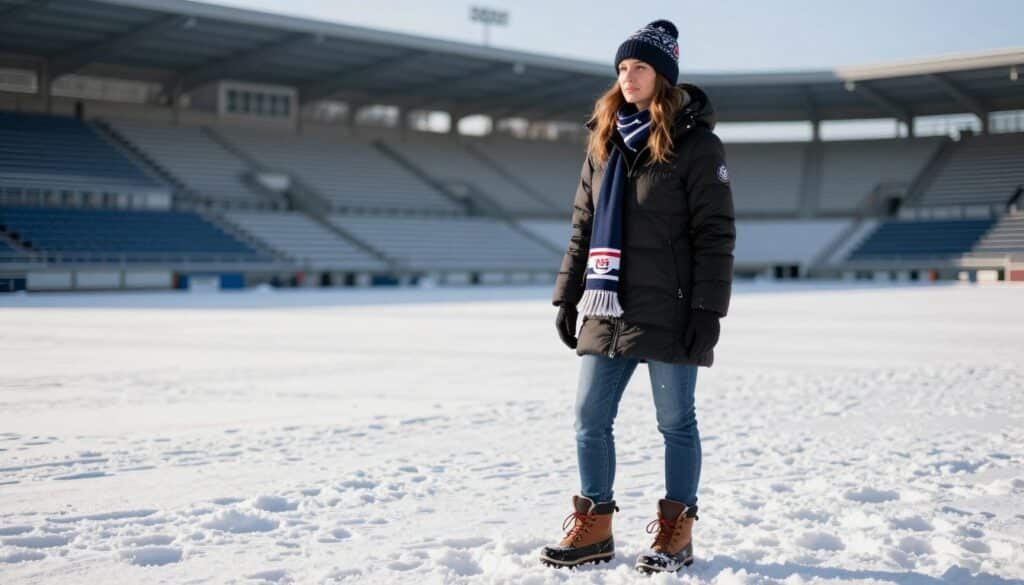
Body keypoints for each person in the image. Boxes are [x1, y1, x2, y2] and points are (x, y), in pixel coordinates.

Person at [538, 19, 736, 574]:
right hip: (608, 306)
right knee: (588, 417)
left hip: (672, 310)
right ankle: (595, 526)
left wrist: (707, 310)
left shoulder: (697, 146)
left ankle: (677, 532)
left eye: (640, 67)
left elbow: (715, 234)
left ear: (664, 75)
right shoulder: (602, 142)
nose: (628, 77)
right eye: (622, 68)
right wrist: (566, 297)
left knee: (675, 422)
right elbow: (583, 225)